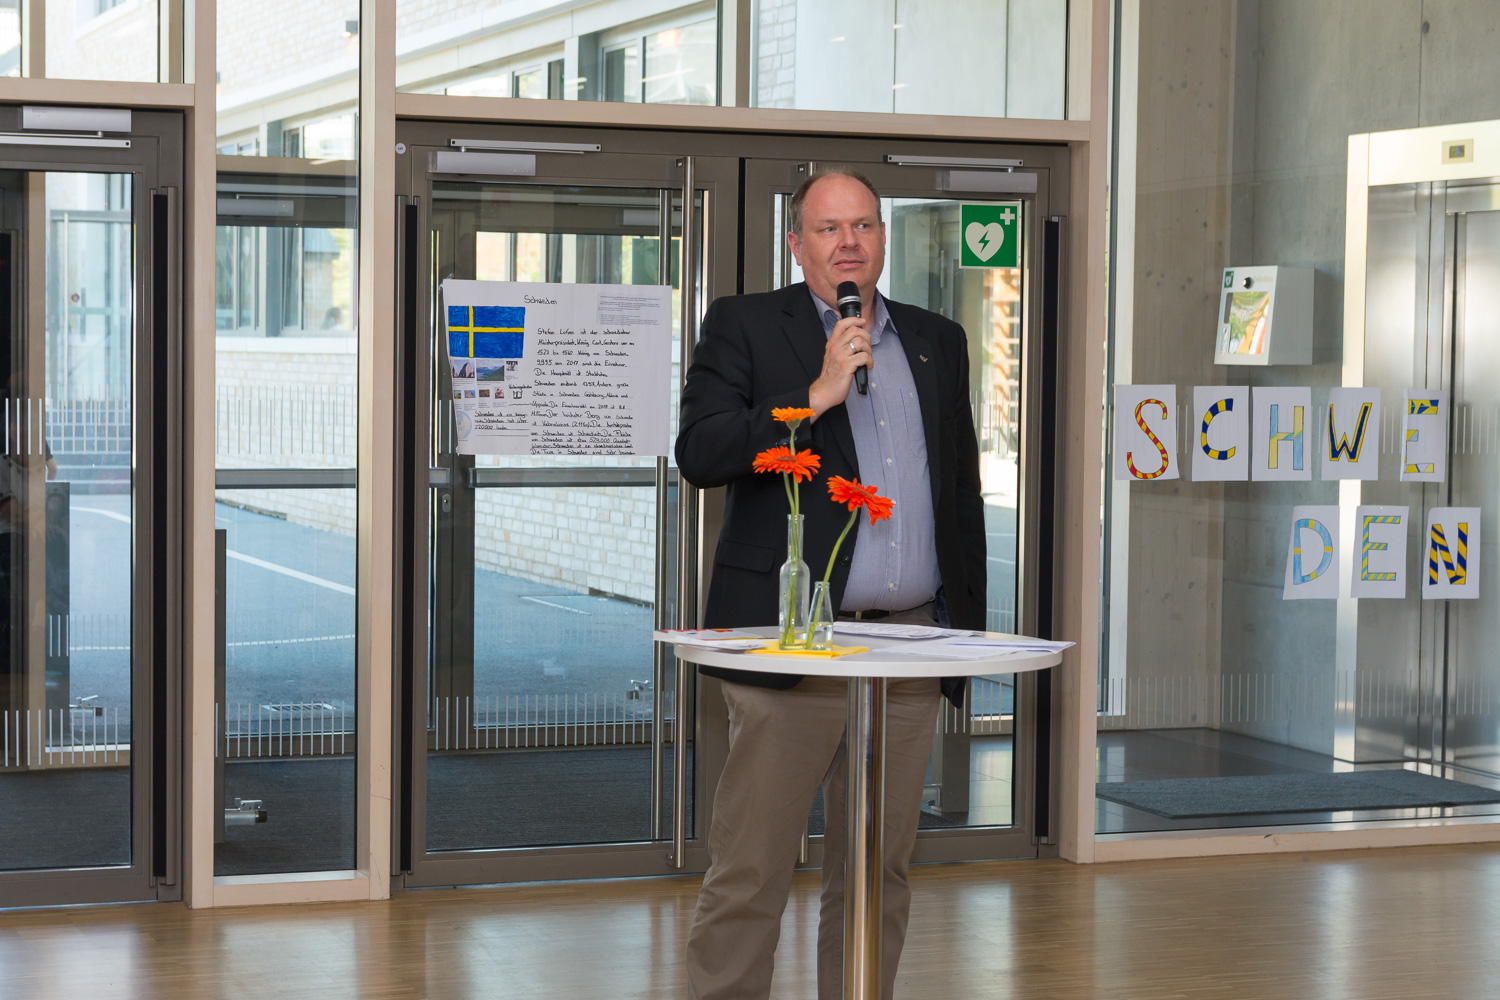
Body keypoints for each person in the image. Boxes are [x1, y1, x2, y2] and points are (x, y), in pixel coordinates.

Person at [675, 171, 986, 1000]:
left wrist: (962, 630)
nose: (849, 243)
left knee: (878, 869)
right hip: (794, 646)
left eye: (864, 226)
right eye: (828, 228)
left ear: (882, 237)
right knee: (752, 866)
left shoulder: (936, 339)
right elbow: (701, 451)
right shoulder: (745, 324)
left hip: (907, 647)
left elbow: (959, 494)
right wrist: (815, 396)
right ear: (797, 243)